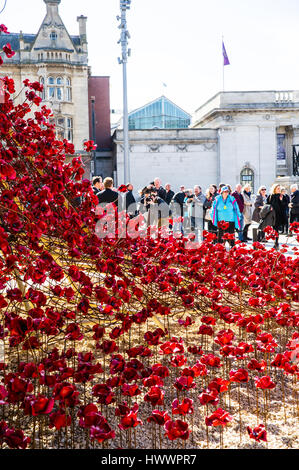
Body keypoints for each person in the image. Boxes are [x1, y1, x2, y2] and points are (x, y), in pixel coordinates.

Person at [266, 183, 286, 250]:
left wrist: (281, 200)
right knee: (273, 230)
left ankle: (276, 243)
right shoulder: (271, 196)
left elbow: (284, 205)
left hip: (279, 216)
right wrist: (270, 207)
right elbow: (267, 204)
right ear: (274, 189)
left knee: (276, 229)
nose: (279, 190)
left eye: (279, 188)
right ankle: (275, 243)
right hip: (272, 215)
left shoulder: (282, 196)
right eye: (278, 188)